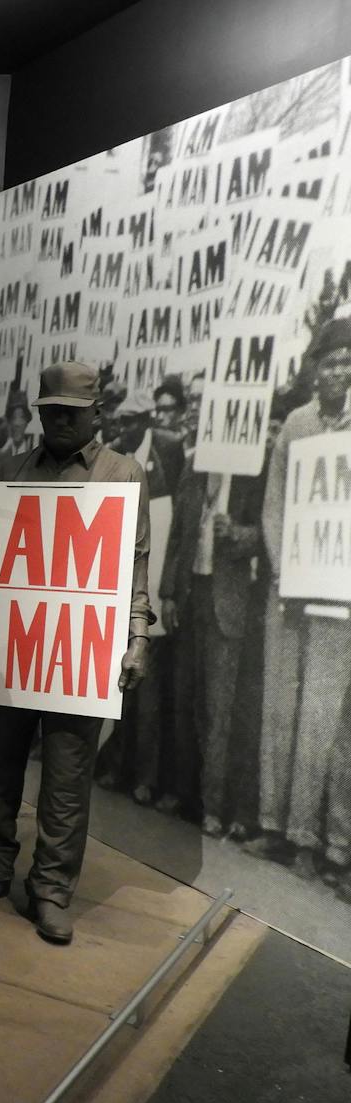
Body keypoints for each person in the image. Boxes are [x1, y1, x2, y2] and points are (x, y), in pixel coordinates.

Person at [0, 360, 151, 944]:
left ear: (97, 413)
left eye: (72, 411)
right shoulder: (8, 470)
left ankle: (50, 887)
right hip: (15, 645)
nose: (60, 420)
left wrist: (136, 638)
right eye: (51, 410)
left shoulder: (124, 475)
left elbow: (135, 568)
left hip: (80, 651)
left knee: (67, 778)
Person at [254, 317, 351, 884]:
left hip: (341, 602)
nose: (338, 372)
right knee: (282, 711)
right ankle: (279, 830)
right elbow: (274, 507)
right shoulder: (296, 424)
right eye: (330, 362)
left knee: (334, 723)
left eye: (347, 364)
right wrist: (286, 571)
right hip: (291, 593)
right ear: (315, 369)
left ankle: (334, 846)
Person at [160, 430, 264, 839]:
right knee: (184, 700)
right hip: (190, 596)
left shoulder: (252, 467)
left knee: (219, 709)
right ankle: (185, 795)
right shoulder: (193, 464)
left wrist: (236, 534)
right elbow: (177, 535)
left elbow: (267, 533)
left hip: (229, 602)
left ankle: (214, 806)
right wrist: (168, 593)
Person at [95, 390, 183, 806]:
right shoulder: (113, 463)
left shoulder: (169, 451)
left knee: (148, 694)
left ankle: (145, 776)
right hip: (122, 587)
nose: (121, 429)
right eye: (119, 423)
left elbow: (174, 523)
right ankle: (116, 765)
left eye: (129, 423)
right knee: (118, 686)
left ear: (145, 422)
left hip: (157, 585)